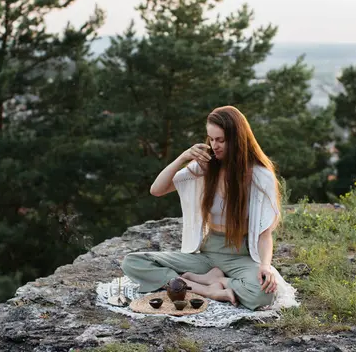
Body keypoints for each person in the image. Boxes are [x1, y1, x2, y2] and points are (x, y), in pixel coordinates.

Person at [121, 105, 282, 310]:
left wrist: (265, 266)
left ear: (238, 139)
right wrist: (183, 157)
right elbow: (157, 189)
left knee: (263, 294)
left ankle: (216, 282)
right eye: (211, 139)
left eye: (221, 140)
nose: (214, 146)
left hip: (241, 256)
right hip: (207, 255)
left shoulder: (261, 176)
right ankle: (206, 287)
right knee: (132, 262)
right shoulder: (206, 167)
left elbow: (264, 234)